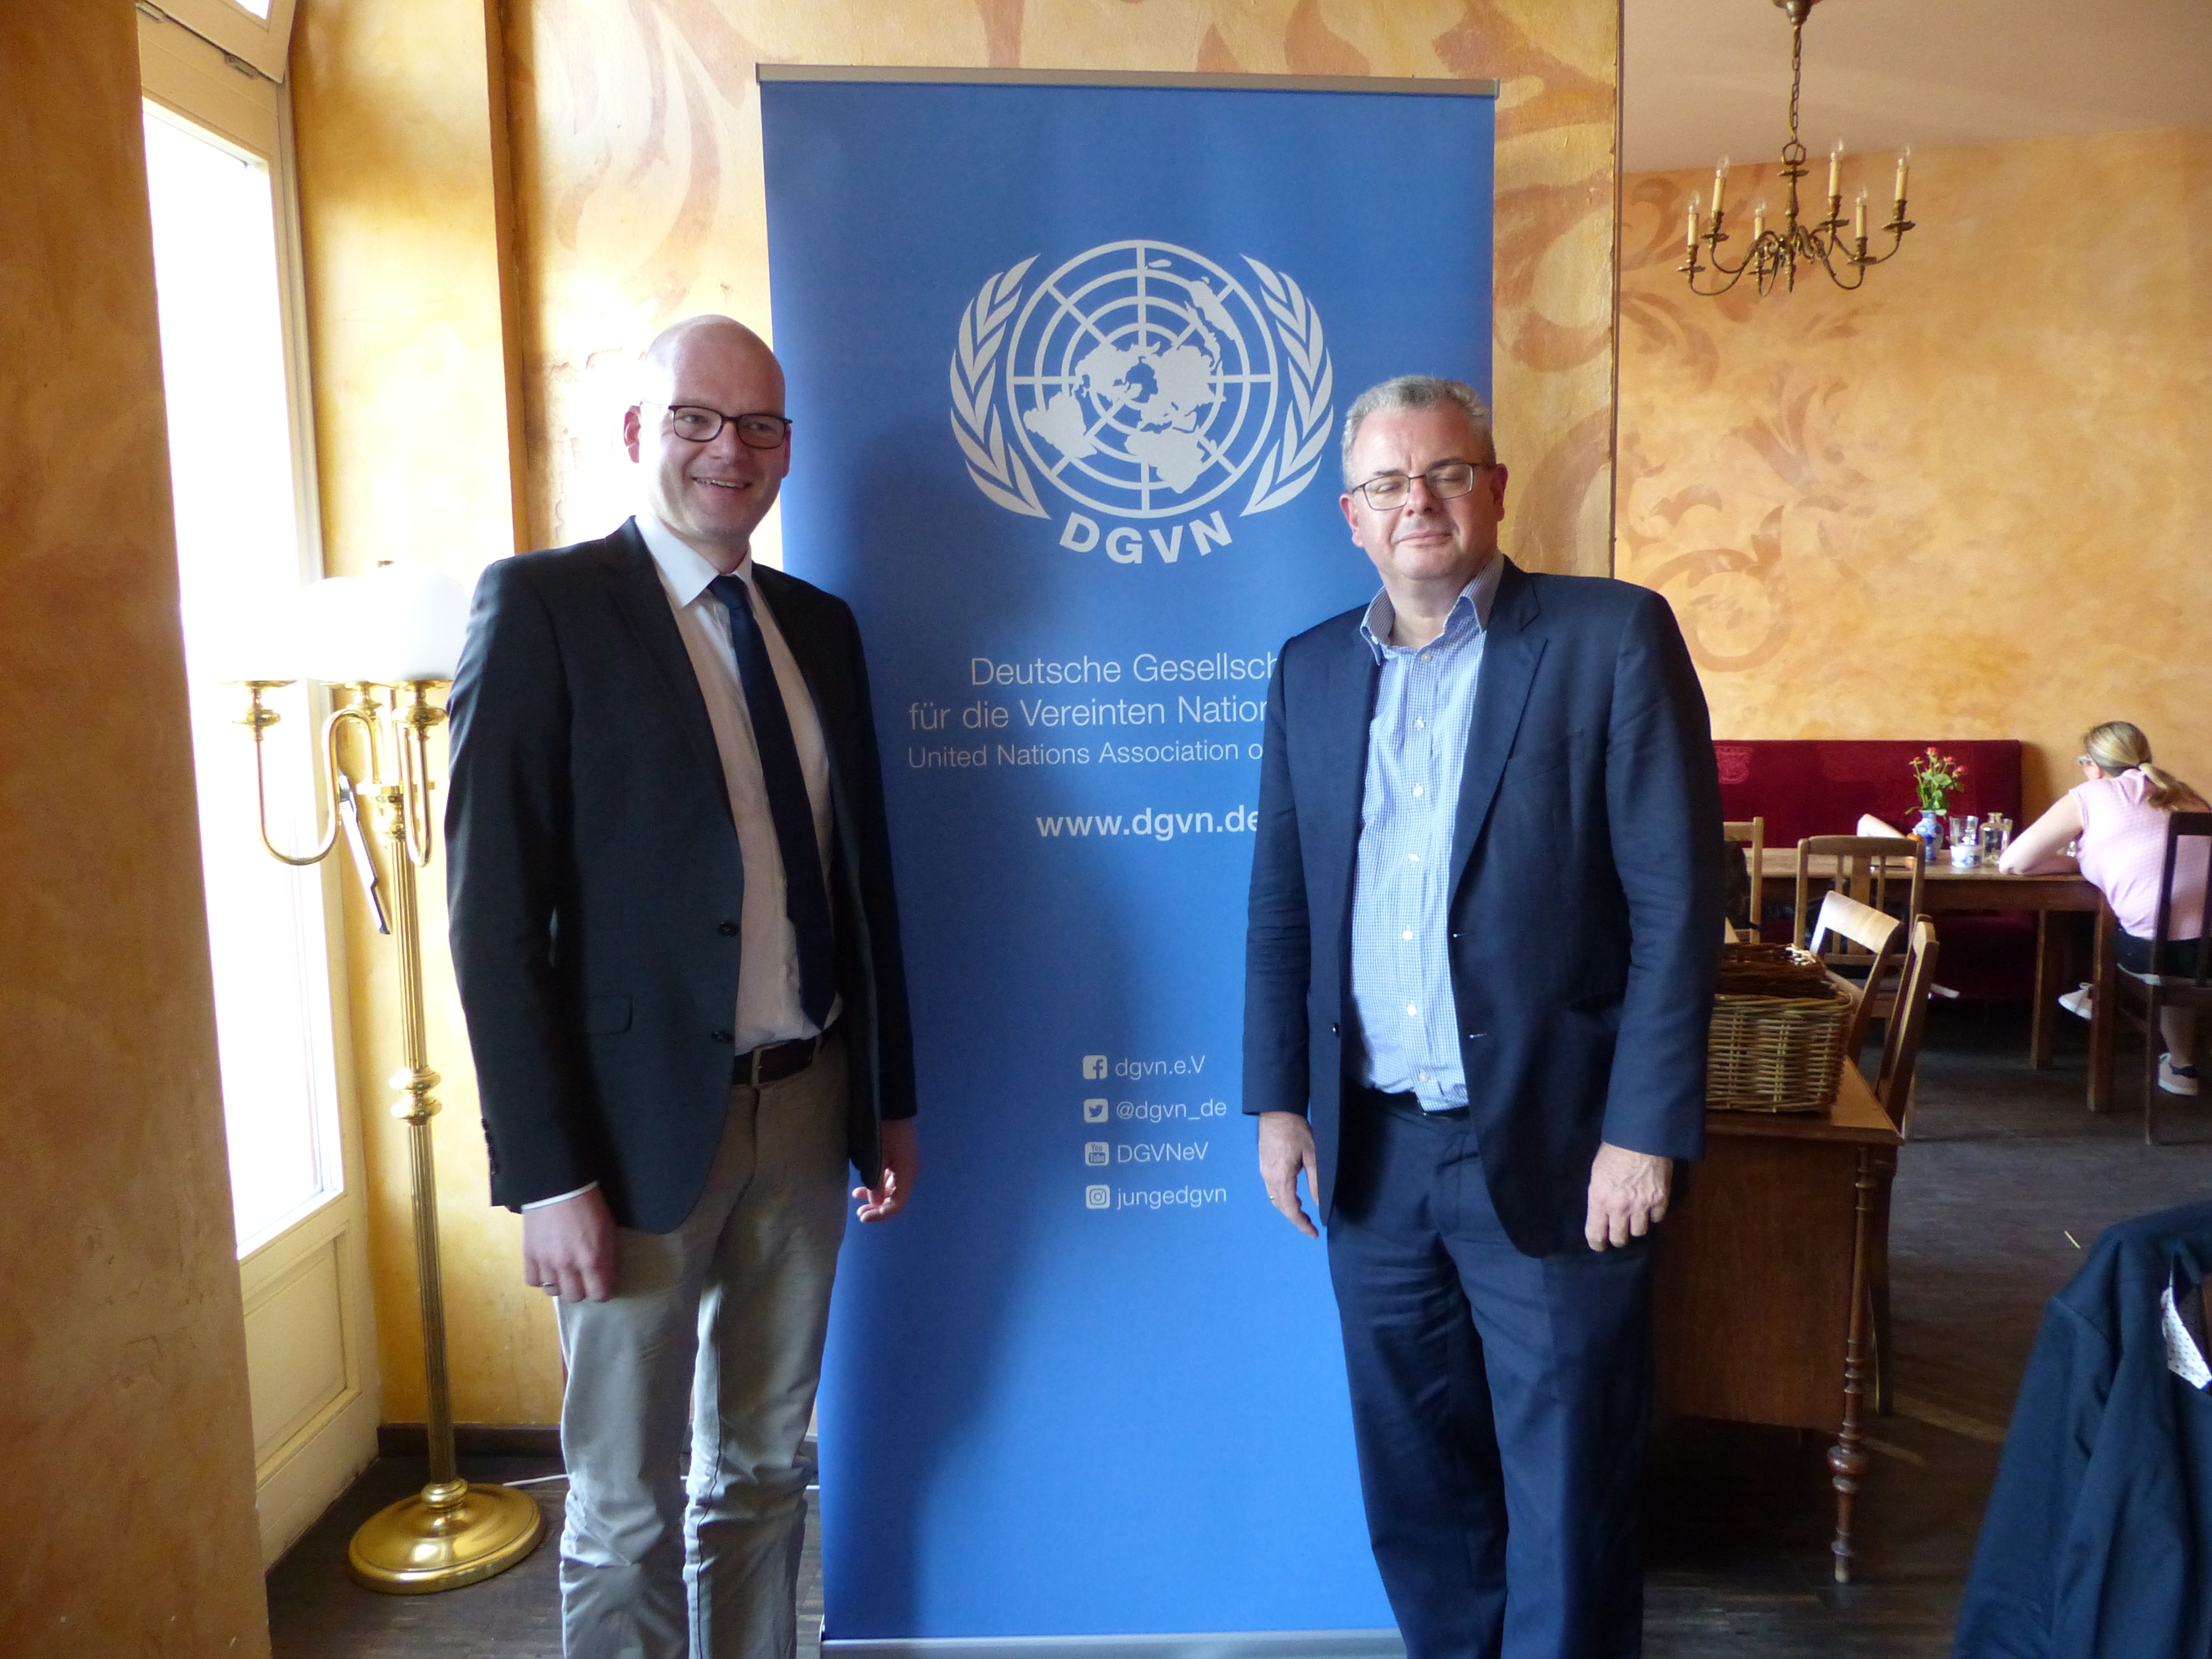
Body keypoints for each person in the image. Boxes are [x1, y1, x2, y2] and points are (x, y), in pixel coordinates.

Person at [445, 314, 919, 1658]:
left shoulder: (817, 627)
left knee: (764, 1469)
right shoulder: (542, 608)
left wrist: (884, 1102)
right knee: (623, 1504)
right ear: (636, 432)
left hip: (805, 1101)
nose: (729, 449)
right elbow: (490, 920)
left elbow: (861, 886)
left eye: (758, 425)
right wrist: (545, 1173)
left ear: (787, 449)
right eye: (696, 419)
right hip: (625, 1132)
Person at [1243, 374, 1724, 1659]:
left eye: (1446, 473)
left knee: (1569, 1493)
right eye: (1388, 482)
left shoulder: (1609, 638)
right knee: (1417, 1484)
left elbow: (1679, 907)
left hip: (1563, 1150)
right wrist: (1278, 1101)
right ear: (1351, 514)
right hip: (1373, 1154)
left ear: (1494, 489)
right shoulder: (1306, 672)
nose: (1418, 501)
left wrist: (1643, 1130)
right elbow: (1282, 909)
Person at [1999, 719, 2206, 1095]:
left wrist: (2079, 861)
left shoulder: (2090, 795)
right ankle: (2182, 1067)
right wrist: (2091, 861)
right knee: (2171, 938)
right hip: (2206, 957)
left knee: (2110, 928)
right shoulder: (2187, 796)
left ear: (2092, 765)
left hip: (2156, 956)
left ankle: (2095, 994)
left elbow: (2013, 863)